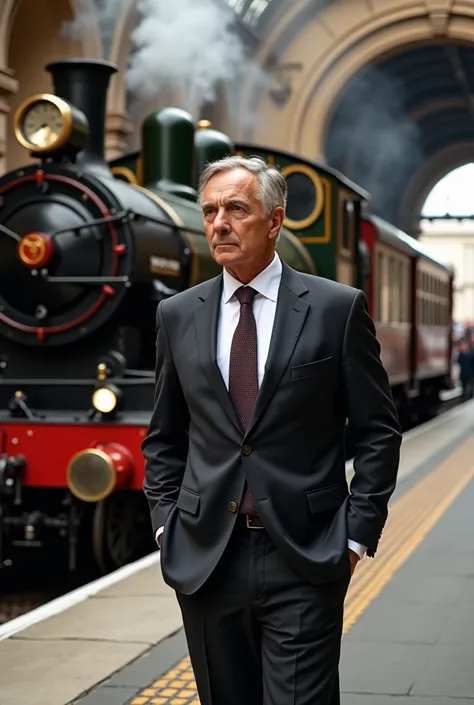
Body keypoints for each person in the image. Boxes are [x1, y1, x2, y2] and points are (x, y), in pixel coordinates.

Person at [142, 156, 402, 705]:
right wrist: (168, 529)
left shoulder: (337, 308)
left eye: (236, 209)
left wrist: (355, 536)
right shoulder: (176, 314)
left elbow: (378, 431)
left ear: (276, 221)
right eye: (210, 210)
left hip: (307, 555)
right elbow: (164, 438)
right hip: (206, 557)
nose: (218, 223)